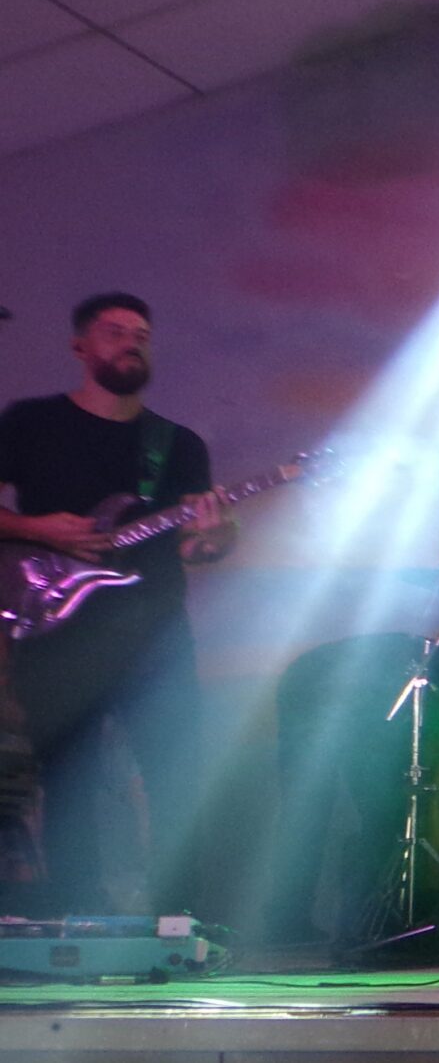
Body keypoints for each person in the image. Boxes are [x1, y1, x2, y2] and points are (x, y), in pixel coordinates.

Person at [0, 292, 235, 916]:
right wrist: (40, 529)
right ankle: (73, 923)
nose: (131, 342)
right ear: (80, 346)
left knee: (177, 776)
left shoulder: (177, 444)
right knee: (67, 782)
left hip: (154, 633)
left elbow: (199, 548)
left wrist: (215, 535)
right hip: (57, 633)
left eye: (140, 334)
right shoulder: (30, 423)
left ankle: (179, 923)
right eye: (114, 331)